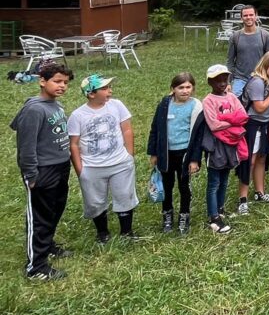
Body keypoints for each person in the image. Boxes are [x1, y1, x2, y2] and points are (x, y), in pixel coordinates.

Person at [11, 61, 73, 280]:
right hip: (42, 170)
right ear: (42, 81)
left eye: (65, 82)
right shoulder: (34, 109)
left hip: (60, 166)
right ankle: (36, 268)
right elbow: (26, 146)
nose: (62, 86)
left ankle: (47, 246)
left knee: (54, 209)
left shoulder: (55, 105)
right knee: (40, 217)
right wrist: (31, 174)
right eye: (57, 81)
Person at [69, 74, 139, 244]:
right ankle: (102, 232)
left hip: (120, 163)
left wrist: (129, 155)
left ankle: (126, 232)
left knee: (124, 195)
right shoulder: (78, 116)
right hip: (92, 167)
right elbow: (74, 145)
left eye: (109, 87)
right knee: (95, 201)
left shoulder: (117, 106)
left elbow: (127, 130)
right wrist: (80, 170)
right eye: (105, 88)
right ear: (91, 94)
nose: (110, 91)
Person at [188, 64, 246, 233]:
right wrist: (233, 121)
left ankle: (220, 209)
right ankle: (213, 217)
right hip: (216, 146)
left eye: (224, 79)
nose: (221, 83)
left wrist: (225, 119)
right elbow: (213, 125)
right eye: (217, 80)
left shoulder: (232, 97)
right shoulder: (208, 100)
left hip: (231, 144)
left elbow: (242, 116)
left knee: (225, 179)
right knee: (214, 182)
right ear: (210, 82)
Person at [147, 72, 203, 235]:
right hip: (166, 154)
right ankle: (167, 215)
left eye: (188, 87)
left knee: (184, 186)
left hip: (185, 154)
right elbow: (155, 128)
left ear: (193, 88)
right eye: (181, 87)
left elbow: (199, 136)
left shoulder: (196, 106)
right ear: (173, 89)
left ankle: (184, 216)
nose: (185, 91)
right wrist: (154, 152)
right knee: (167, 185)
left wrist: (194, 159)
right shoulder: (164, 104)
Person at [239, 50, 269, 206]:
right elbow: (259, 107)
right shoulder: (258, 82)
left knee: (261, 158)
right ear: (265, 65)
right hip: (252, 125)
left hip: (265, 124)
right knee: (250, 161)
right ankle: (243, 199)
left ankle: (260, 192)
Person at [227, 5, 269, 97]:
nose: (248, 17)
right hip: (240, 79)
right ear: (241, 18)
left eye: (251, 15)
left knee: (258, 104)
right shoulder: (235, 37)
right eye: (245, 15)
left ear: (256, 16)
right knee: (236, 103)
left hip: (260, 78)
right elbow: (230, 61)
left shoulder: (265, 35)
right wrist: (228, 82)